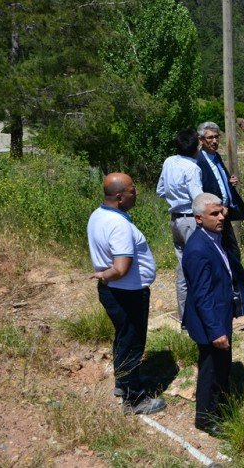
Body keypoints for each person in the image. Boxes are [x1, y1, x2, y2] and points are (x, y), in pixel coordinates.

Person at [87, 173, 165, 415]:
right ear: (120, 197)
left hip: (115, 293)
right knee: (132, 343)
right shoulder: (119, 225)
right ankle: (134, 400)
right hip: (127, 294)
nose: (137, 193)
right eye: (133, 190)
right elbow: (121, 268)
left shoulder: (98, 215)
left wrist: (105, 278)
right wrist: (106, 275)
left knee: (123, 338)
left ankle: (124, 383)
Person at [182, 193, 244, 434]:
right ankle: (205, 418)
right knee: (210, 369)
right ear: (199, 218)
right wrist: (216, 331)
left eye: (222, 211)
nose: (222, 216)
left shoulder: (214, 237)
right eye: (215, 213)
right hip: (210, 323)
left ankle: (219, 405)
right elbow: (201, 296)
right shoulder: (198, 249)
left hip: (221, 315)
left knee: (222, 366)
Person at [156, 129, 203, 322]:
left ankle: (185, 318)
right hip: (191, 220)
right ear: (197, 146)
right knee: (198, 267)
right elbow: (198, 199)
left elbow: (160, 190)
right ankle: (200, 316)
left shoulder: (169, 161)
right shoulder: (193, 168)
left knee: (183, 269)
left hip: (175, 220)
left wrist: (175, 199)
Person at [195, 122, 244, 260]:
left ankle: (234, 280)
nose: (214, 141)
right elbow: (200, 191)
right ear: (201, 140)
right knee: (217, 254)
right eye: (210, 138)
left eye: (217, 137)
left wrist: (230, 182)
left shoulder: (216, 157)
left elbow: (219, 180)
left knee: (233, 254)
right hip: (211, 216)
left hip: (224, 214)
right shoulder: (198, 162)